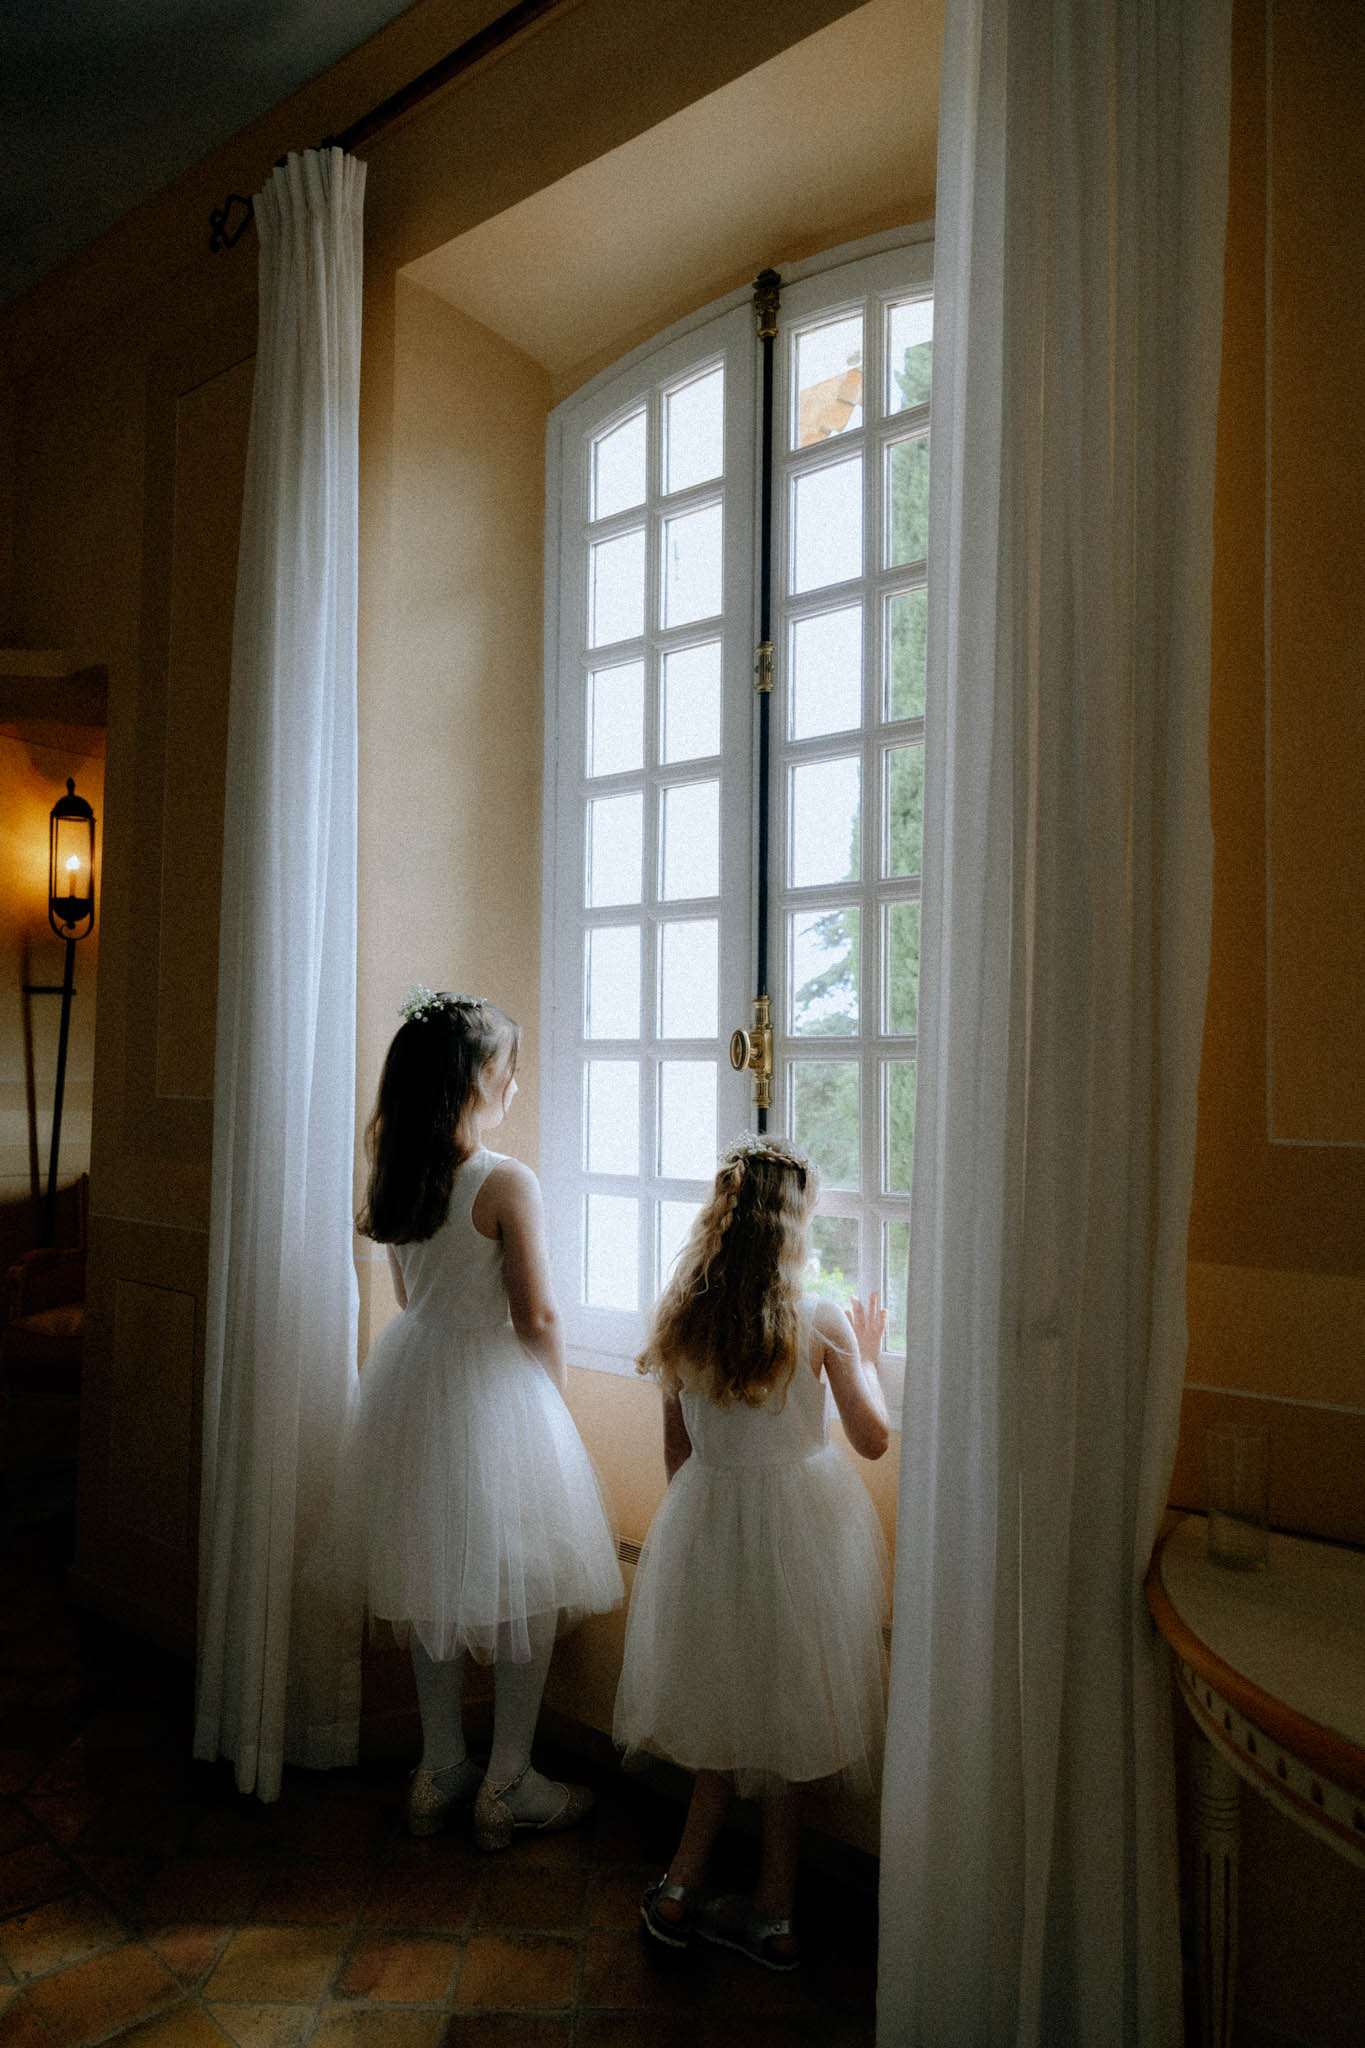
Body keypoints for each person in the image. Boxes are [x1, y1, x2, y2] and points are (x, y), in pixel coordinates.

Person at [350, 985, 622, 1848]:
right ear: (473, 1078)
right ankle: (508, 1779)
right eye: (509, 1068)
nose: (516, 1085)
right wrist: (551, 1409)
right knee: (525, 1588)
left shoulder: (399, 1176)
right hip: (493, 1388)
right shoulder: (504, 1181)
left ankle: (438, 1769)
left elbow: (406, 1295)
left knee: (428, 1574)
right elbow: (536, 1314)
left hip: (414, 1378)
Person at [614, 1135, 891, 1969]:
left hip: (708, 1524)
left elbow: (677, 1458)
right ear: (793, 1225)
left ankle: (677, 1888)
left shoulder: (684, 1315)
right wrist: (867, 1364)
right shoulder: (819, 1318)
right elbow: (872, 1440)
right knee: (789, 1717)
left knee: (722, 1717)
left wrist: (706, 1527)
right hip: (801, 1530)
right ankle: (773, 1912)